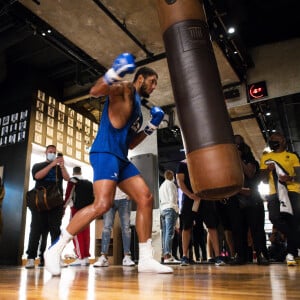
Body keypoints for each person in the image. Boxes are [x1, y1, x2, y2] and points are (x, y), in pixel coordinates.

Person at [44, 53, 173, 275]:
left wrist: (152, 125)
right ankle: (55, 250)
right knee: (103, 204)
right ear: (140, 79)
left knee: (145, 197)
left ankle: (144, 259)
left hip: (121, 157)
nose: (154, 87)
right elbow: (95, 91)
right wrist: (115, 71)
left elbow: (131, 143)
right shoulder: (123, 88)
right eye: (152, 82)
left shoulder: (138, 111)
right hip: (105, 152)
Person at [25, 145, 70, 269]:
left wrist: (61, 166)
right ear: (46, 152)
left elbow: (67, 178)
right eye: (50, 152)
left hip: (55, 203)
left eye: (54, 153)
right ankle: (30, 258)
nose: (52, 154)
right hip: (40, 202)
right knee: (35, 230)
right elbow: (37, 176)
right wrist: (51, 164)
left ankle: (56, 257)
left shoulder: (59, 168)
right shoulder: (38, 165)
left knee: (56, 230)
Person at [227, 135, 269, 265]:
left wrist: (238, 158)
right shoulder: (228, 163)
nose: (236, 147)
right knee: (238, 230)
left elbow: (250, 174)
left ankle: (262, 254)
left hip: (253, 199)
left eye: (238, 145)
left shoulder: (251, 161)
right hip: (236, 199)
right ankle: (240, 256)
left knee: (256, 229)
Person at [260, 132, 300, 266]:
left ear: (282, 140)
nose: (271, 141)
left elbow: (299, 176)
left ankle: (291, 254)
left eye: (274, 139)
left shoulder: (292, 156)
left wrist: (289, 178)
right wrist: (268, 171)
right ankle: (296, 239)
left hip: (292, 192)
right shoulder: (266, 157)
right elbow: (264, 181)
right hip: (274, 193)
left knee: (293, 221)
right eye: (270, 140)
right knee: (273, 217)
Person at [176, 159, 225, 266]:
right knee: (186, 227)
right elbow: (180, 181)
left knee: (212, 226)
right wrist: (189, 194)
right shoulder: (182, 164)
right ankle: (184, 256)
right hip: (189, 199)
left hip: (205, 197)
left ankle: (217, 256)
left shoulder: (204, 161)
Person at [94, 187, 135, 267]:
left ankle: (127, 256)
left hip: (124, 199)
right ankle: (104, 257)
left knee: (126, 228)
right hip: (109, 199)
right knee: (106, 227)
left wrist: (130, 193)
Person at [64, 166, 94, 267]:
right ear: (81, 172)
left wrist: (63, 208)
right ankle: (85, 258)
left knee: (76, 232)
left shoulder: (72, 181)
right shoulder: (88, 182)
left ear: (73, 172)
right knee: (86, 233)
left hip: (76, 210)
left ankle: (80, 257)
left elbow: (68, 196)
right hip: (88, 210)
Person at [159, 170, 180, 263]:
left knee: (165, 234)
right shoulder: (171, 184)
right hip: (170, 209)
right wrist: (176, 210)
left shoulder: (161, 186)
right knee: (169, 233)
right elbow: (173, 198)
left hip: (163, 210)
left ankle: (166, 255)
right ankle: (168, 256)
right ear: (172, 176)